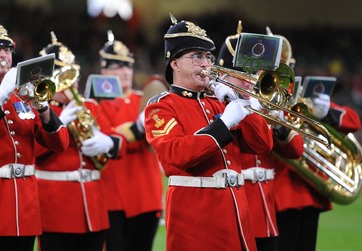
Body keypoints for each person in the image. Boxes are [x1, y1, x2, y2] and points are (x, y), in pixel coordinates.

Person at [144, 15, 274, 251]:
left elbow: (263, 145)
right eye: (197, 57)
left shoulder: (217, 102)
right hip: (196, 220)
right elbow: (178, 154)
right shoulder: (161, 106)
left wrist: (240, 99)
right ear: (174, 63)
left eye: (208, 57)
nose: (206, 64)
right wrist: (224, 124)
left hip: (237, 216)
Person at [0, 15, 69, 251]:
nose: (5, 56)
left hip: (24, 209)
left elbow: (60, 143)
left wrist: (43, 108)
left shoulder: (23, 97)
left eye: (8, 50)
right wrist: (0, 95)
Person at [268, 28, 362, 251]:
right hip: (279, 192)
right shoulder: (260, 99)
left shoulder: (302, 98)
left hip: (310, 191)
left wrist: (325, 112)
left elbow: (353, 121)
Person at [34, 32, 127, 251]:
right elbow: (31, 152)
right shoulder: (37, 110)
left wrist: (109, 143)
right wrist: (56, 124)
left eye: (72, 75)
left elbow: (119, 141)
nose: (71, 83)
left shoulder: (90, 107)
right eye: (62, 75)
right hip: (56, 209)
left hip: (93, 207)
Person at [216, 22, 305, 251]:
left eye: (254, 72)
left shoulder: (263, 100)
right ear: (225, 72)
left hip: (266, 207)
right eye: (244, 72)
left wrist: (278, 123)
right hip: (236, 202)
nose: (251, 79)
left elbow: (296, 150)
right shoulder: (216, 103)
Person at [97, 30, 163, 251]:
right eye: (116, 66)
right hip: (112, 198)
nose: (124, 72)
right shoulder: (94, 104)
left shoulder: (145, 100)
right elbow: (108, 140)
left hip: (146, 195)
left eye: (127, 65)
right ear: (103, 70)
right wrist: (135, 130)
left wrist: (128, 133)